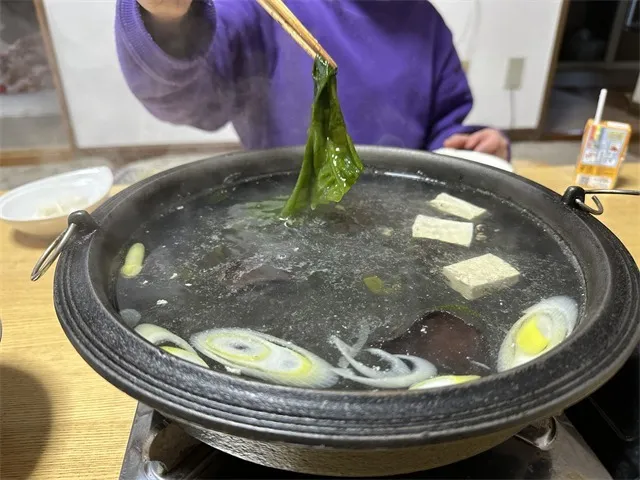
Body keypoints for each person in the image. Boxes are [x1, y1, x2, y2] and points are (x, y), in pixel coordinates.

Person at [115, 0, 510, 160]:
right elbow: (188, 99)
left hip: (400, 209)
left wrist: (466, 147)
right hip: (277, 204)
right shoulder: (264, 9)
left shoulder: (426, 23)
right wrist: (167, 16)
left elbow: (443, 124)